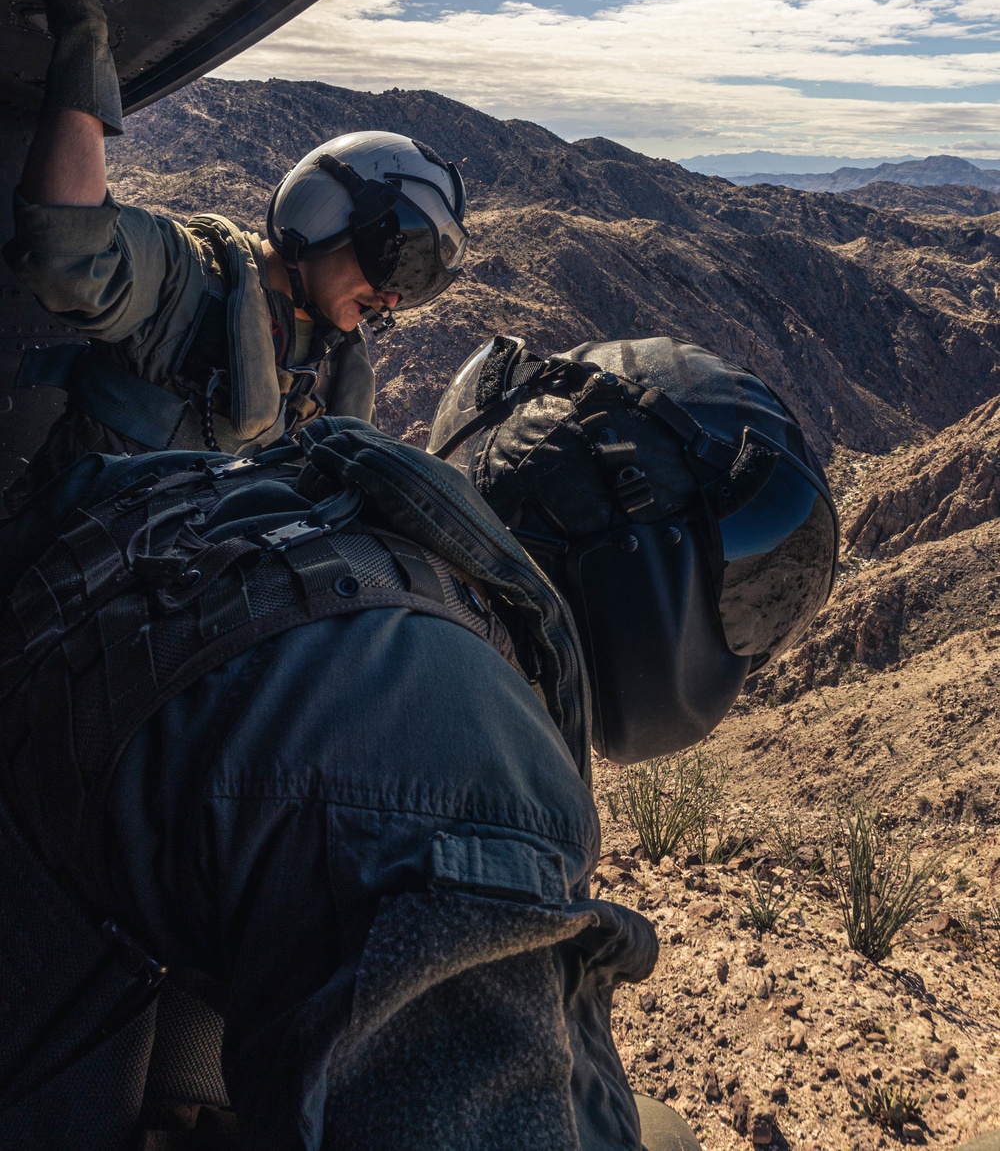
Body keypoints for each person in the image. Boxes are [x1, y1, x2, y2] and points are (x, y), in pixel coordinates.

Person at [0, 332, 837, 1149]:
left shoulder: (252, 498)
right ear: (639, 561)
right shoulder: (472, 782)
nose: (749, 639)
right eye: (747, 598)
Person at [3, 0, 469, 505]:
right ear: (323, 215)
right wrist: (85, 43)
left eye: (416, 281)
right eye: (392, 260)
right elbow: (67, 251)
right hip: (78, 571)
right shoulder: (186, 277)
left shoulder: (336, 368)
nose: (392, 296)